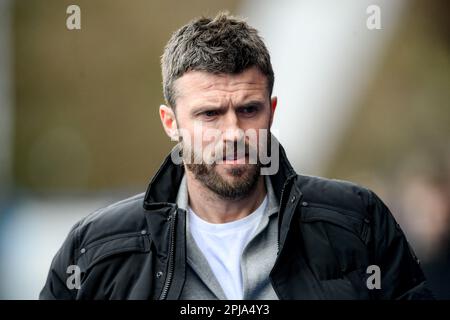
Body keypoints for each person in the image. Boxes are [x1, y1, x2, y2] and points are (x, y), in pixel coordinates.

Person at [40, 12, 433, 300]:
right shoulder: (96, 250)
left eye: (248, 110)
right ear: (170, 122)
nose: (233, 133)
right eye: (209, 114)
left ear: (272, 110)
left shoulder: (357, 223)